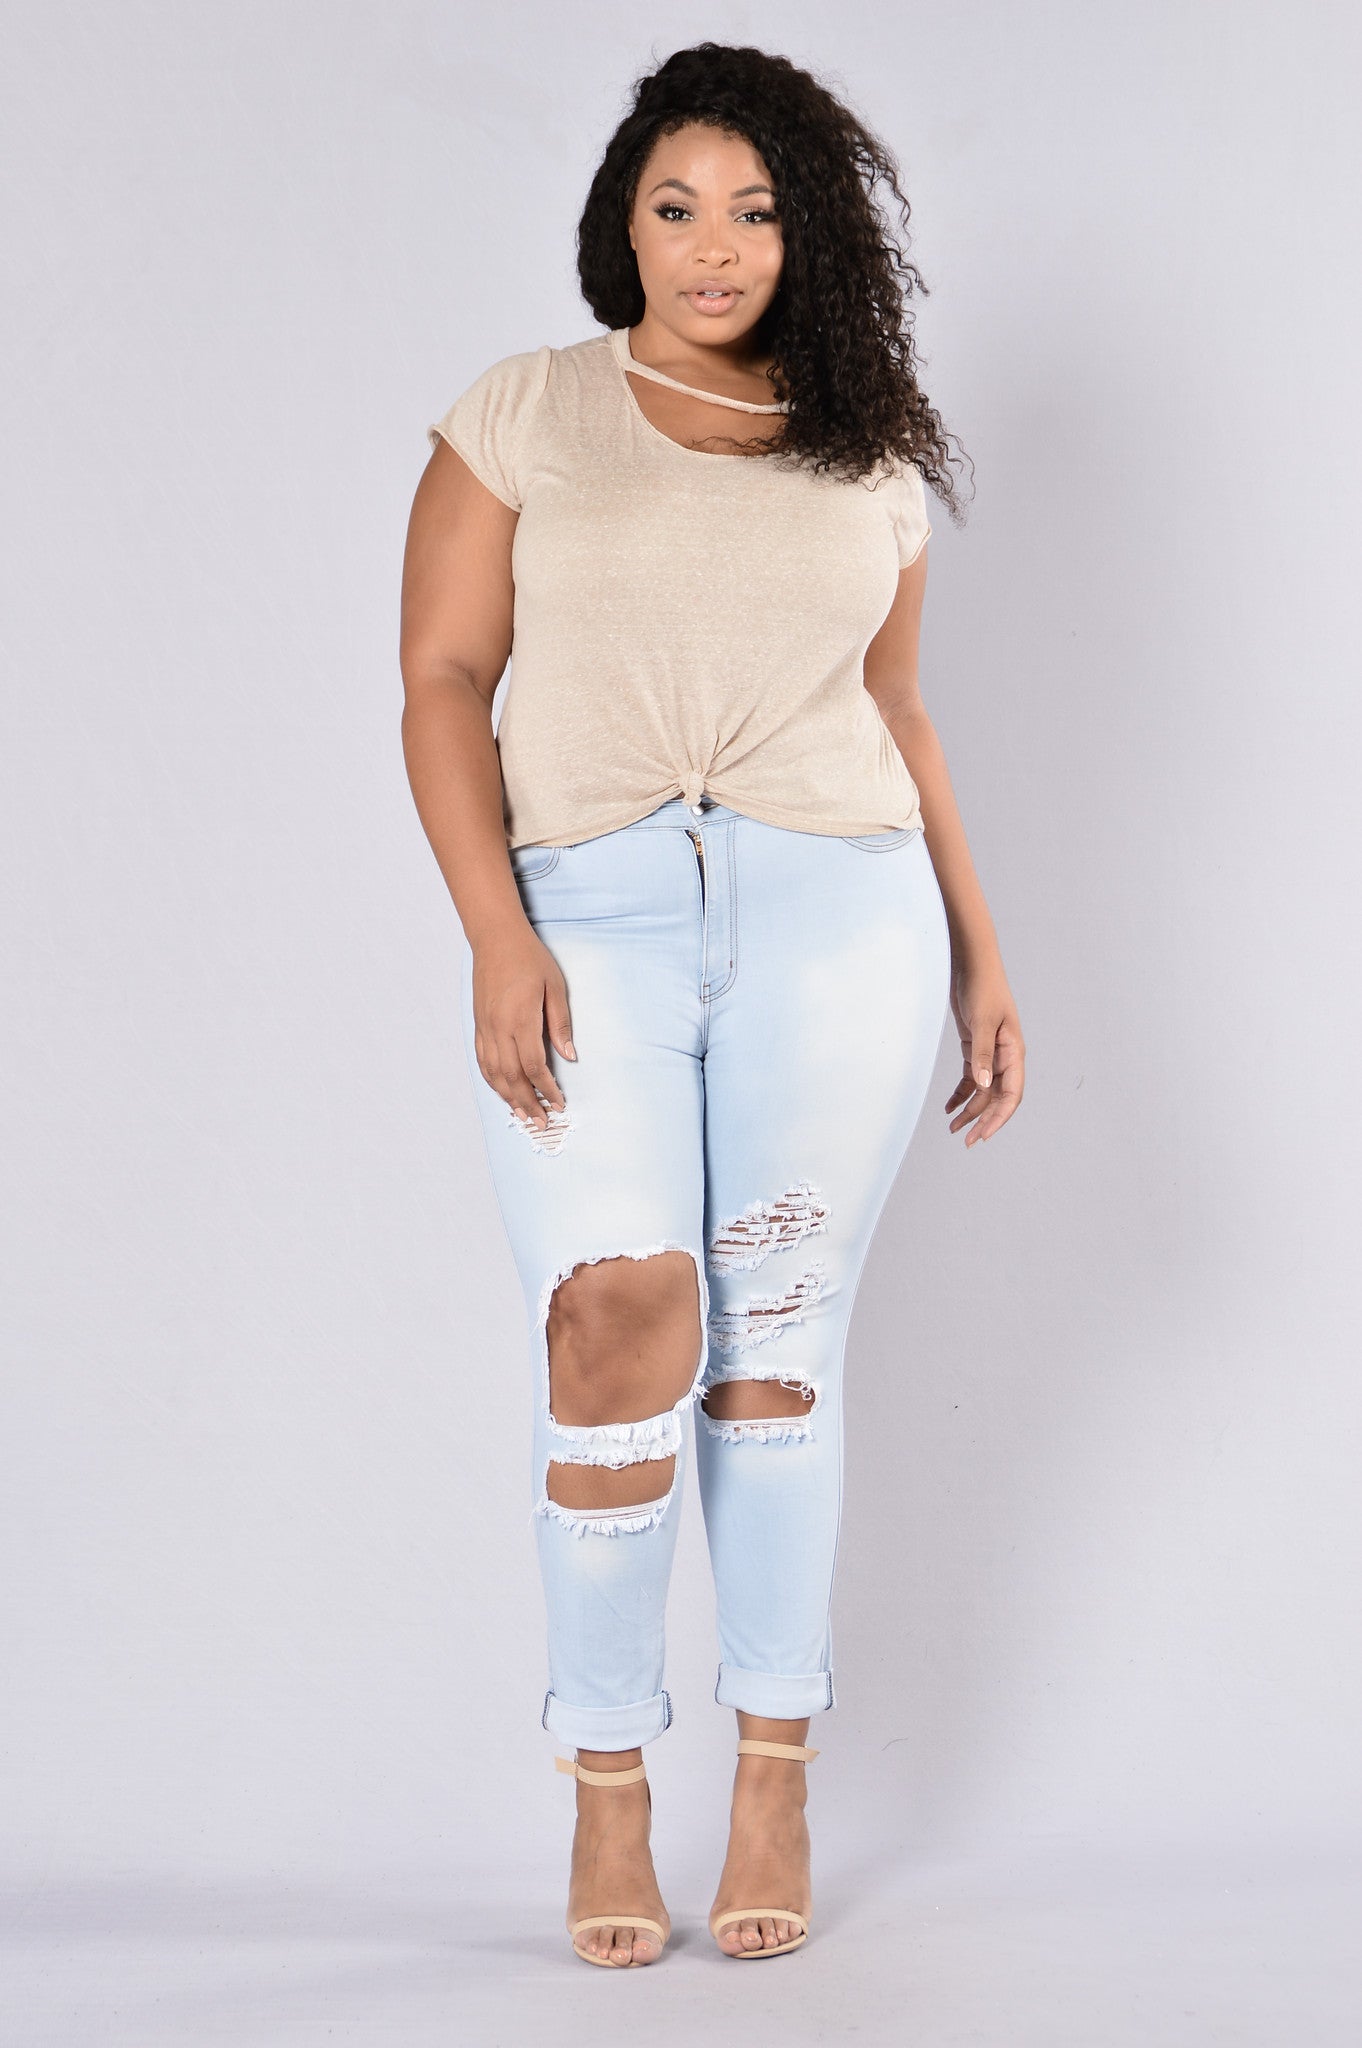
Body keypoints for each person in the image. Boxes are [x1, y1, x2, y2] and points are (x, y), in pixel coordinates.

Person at [400, 41, 1025, 1970]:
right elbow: (442, 680)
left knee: (775, 1355)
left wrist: (982, 949)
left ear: (806, 234)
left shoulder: (867, 454)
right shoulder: (528, 411)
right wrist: (498, 936)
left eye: (754, 211)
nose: (713, 245)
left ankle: (771, 1767)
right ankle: (606, 1778)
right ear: (625, 222)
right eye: (676, 207)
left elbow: (897, 711)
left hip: (842, 915)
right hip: (588, 913)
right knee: (614, 1330)